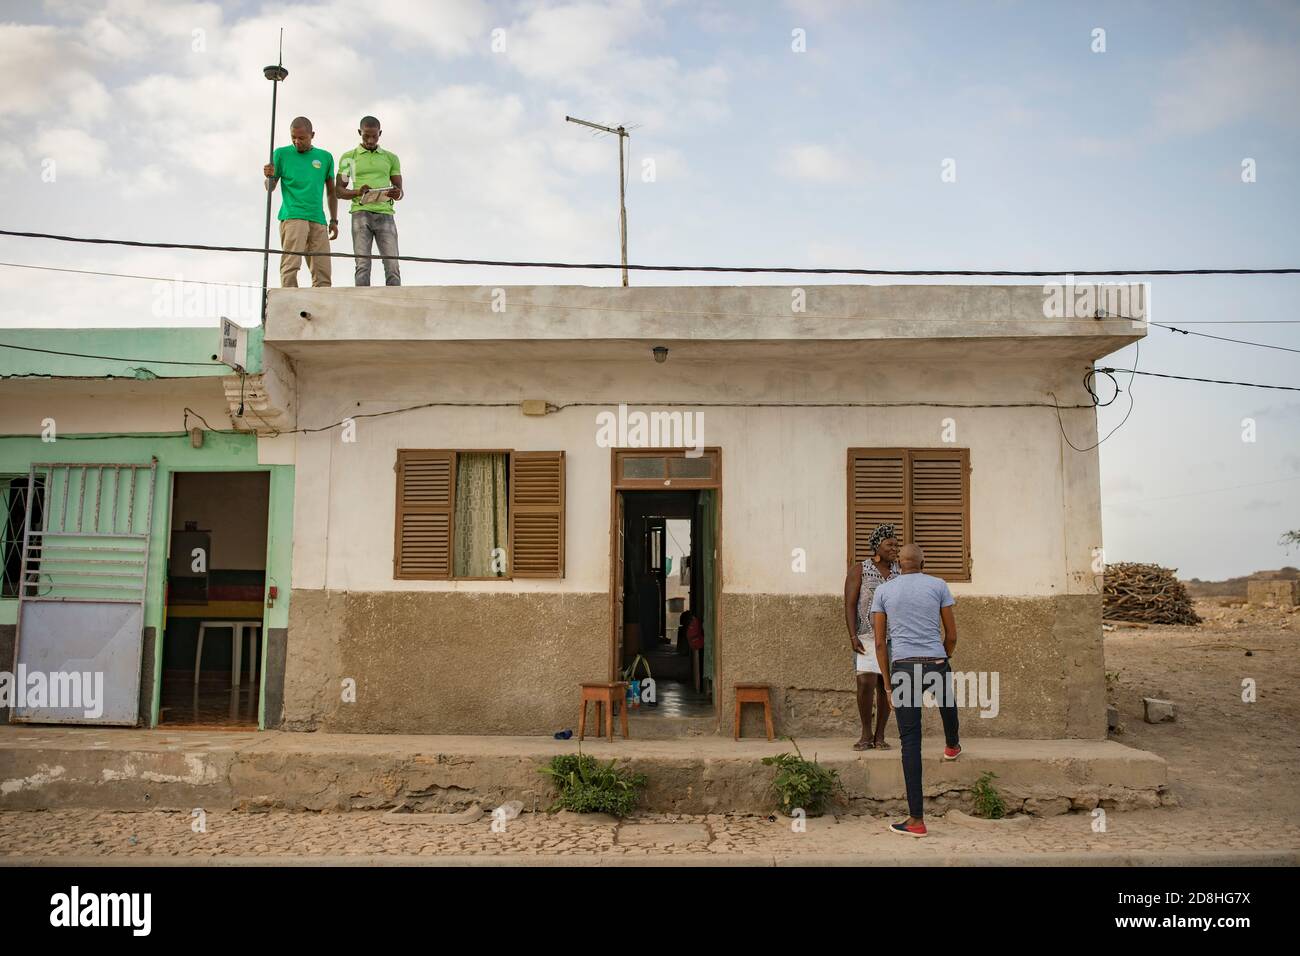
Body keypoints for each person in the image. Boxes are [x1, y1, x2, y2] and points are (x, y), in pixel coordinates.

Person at [870, 543, 960, 838]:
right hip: (935, 660)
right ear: (924, 562)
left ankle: (916, 820)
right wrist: (943, 658)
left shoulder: (884, 591)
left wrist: (886, 683)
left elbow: (880, 643)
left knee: (911, 742)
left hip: (904, 667)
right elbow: (952, 634)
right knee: (947, 702)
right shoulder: (938, 585)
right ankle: (952, 745)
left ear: (899, 563)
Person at [843, 523, 900, 750]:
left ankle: (880, 735)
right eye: (890, 544)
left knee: (885, 684)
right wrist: (852, 635)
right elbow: (849, 604)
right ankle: (866, 733)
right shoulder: (860, 570)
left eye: (896, 544)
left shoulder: (900, 571)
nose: (894, 548)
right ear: (877, 546)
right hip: (866, 634)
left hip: (892, 638)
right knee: (865, 682)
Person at [263, 116, 338, 287]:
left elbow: (331, 192)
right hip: (293, 216)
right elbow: (270, 186)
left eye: (301, 138)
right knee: (291, 265)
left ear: (312, 135)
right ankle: (289, 305)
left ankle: (321, 307)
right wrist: (269, 176)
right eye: (293, 137)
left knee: (323, 271)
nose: (297, 141)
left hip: (318, 219)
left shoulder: (325, 157)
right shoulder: (281, 154)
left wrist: (333, 220)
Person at [336, 116, 403, 286]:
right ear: (360, 133)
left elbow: (400, 191)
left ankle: (395, 304)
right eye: (366, 136)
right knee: (362, 264)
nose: (370, 140)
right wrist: (358, 191)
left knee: (392, 263)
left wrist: (397, 193)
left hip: (385, 214)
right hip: (360, 213)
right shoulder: (349, 158)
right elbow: (339, 191)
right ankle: (361, 305)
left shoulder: (391, 158)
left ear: (380, 133)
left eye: (374, 136)